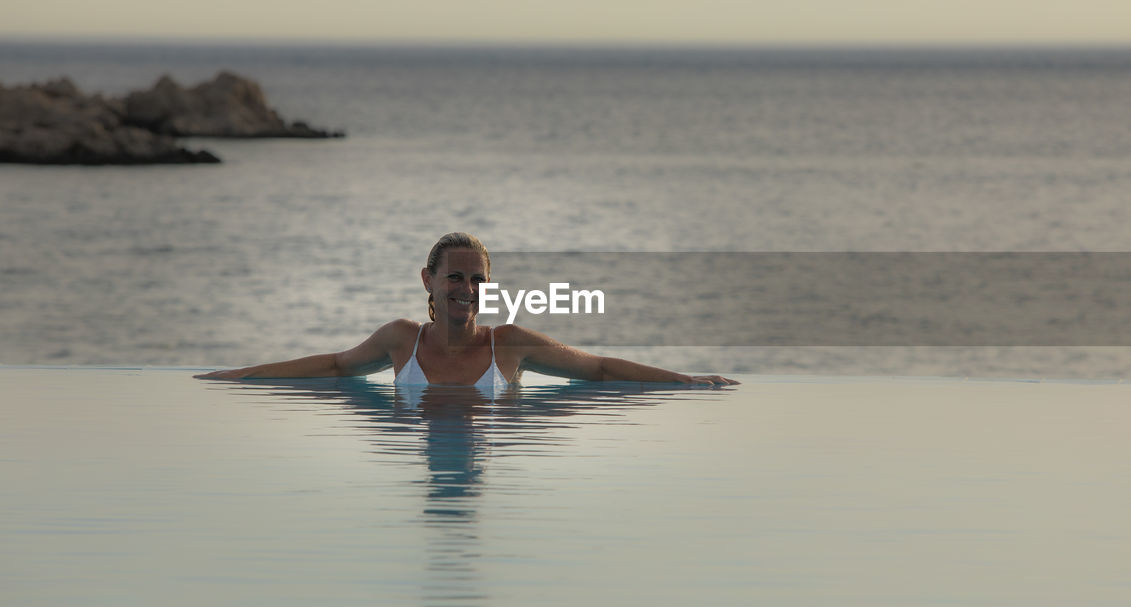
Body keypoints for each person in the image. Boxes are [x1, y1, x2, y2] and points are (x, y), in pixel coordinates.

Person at [197, 232, 737, 388]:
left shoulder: (510, 344)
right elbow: (336, 365)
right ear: (428, 280)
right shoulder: (400, 340)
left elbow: (597, 368)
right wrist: (245, 374)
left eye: (478, 280)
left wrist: (684, 380)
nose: (467, 289)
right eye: (455, 277)